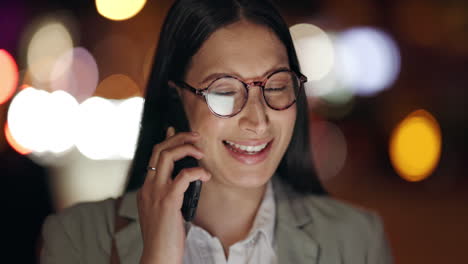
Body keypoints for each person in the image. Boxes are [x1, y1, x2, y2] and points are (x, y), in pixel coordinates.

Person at [40, 0, 393, 263]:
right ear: (177, 98)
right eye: (224, 92)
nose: (257, 119)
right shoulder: (78, 239)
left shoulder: (356, 240)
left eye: (275, 86)